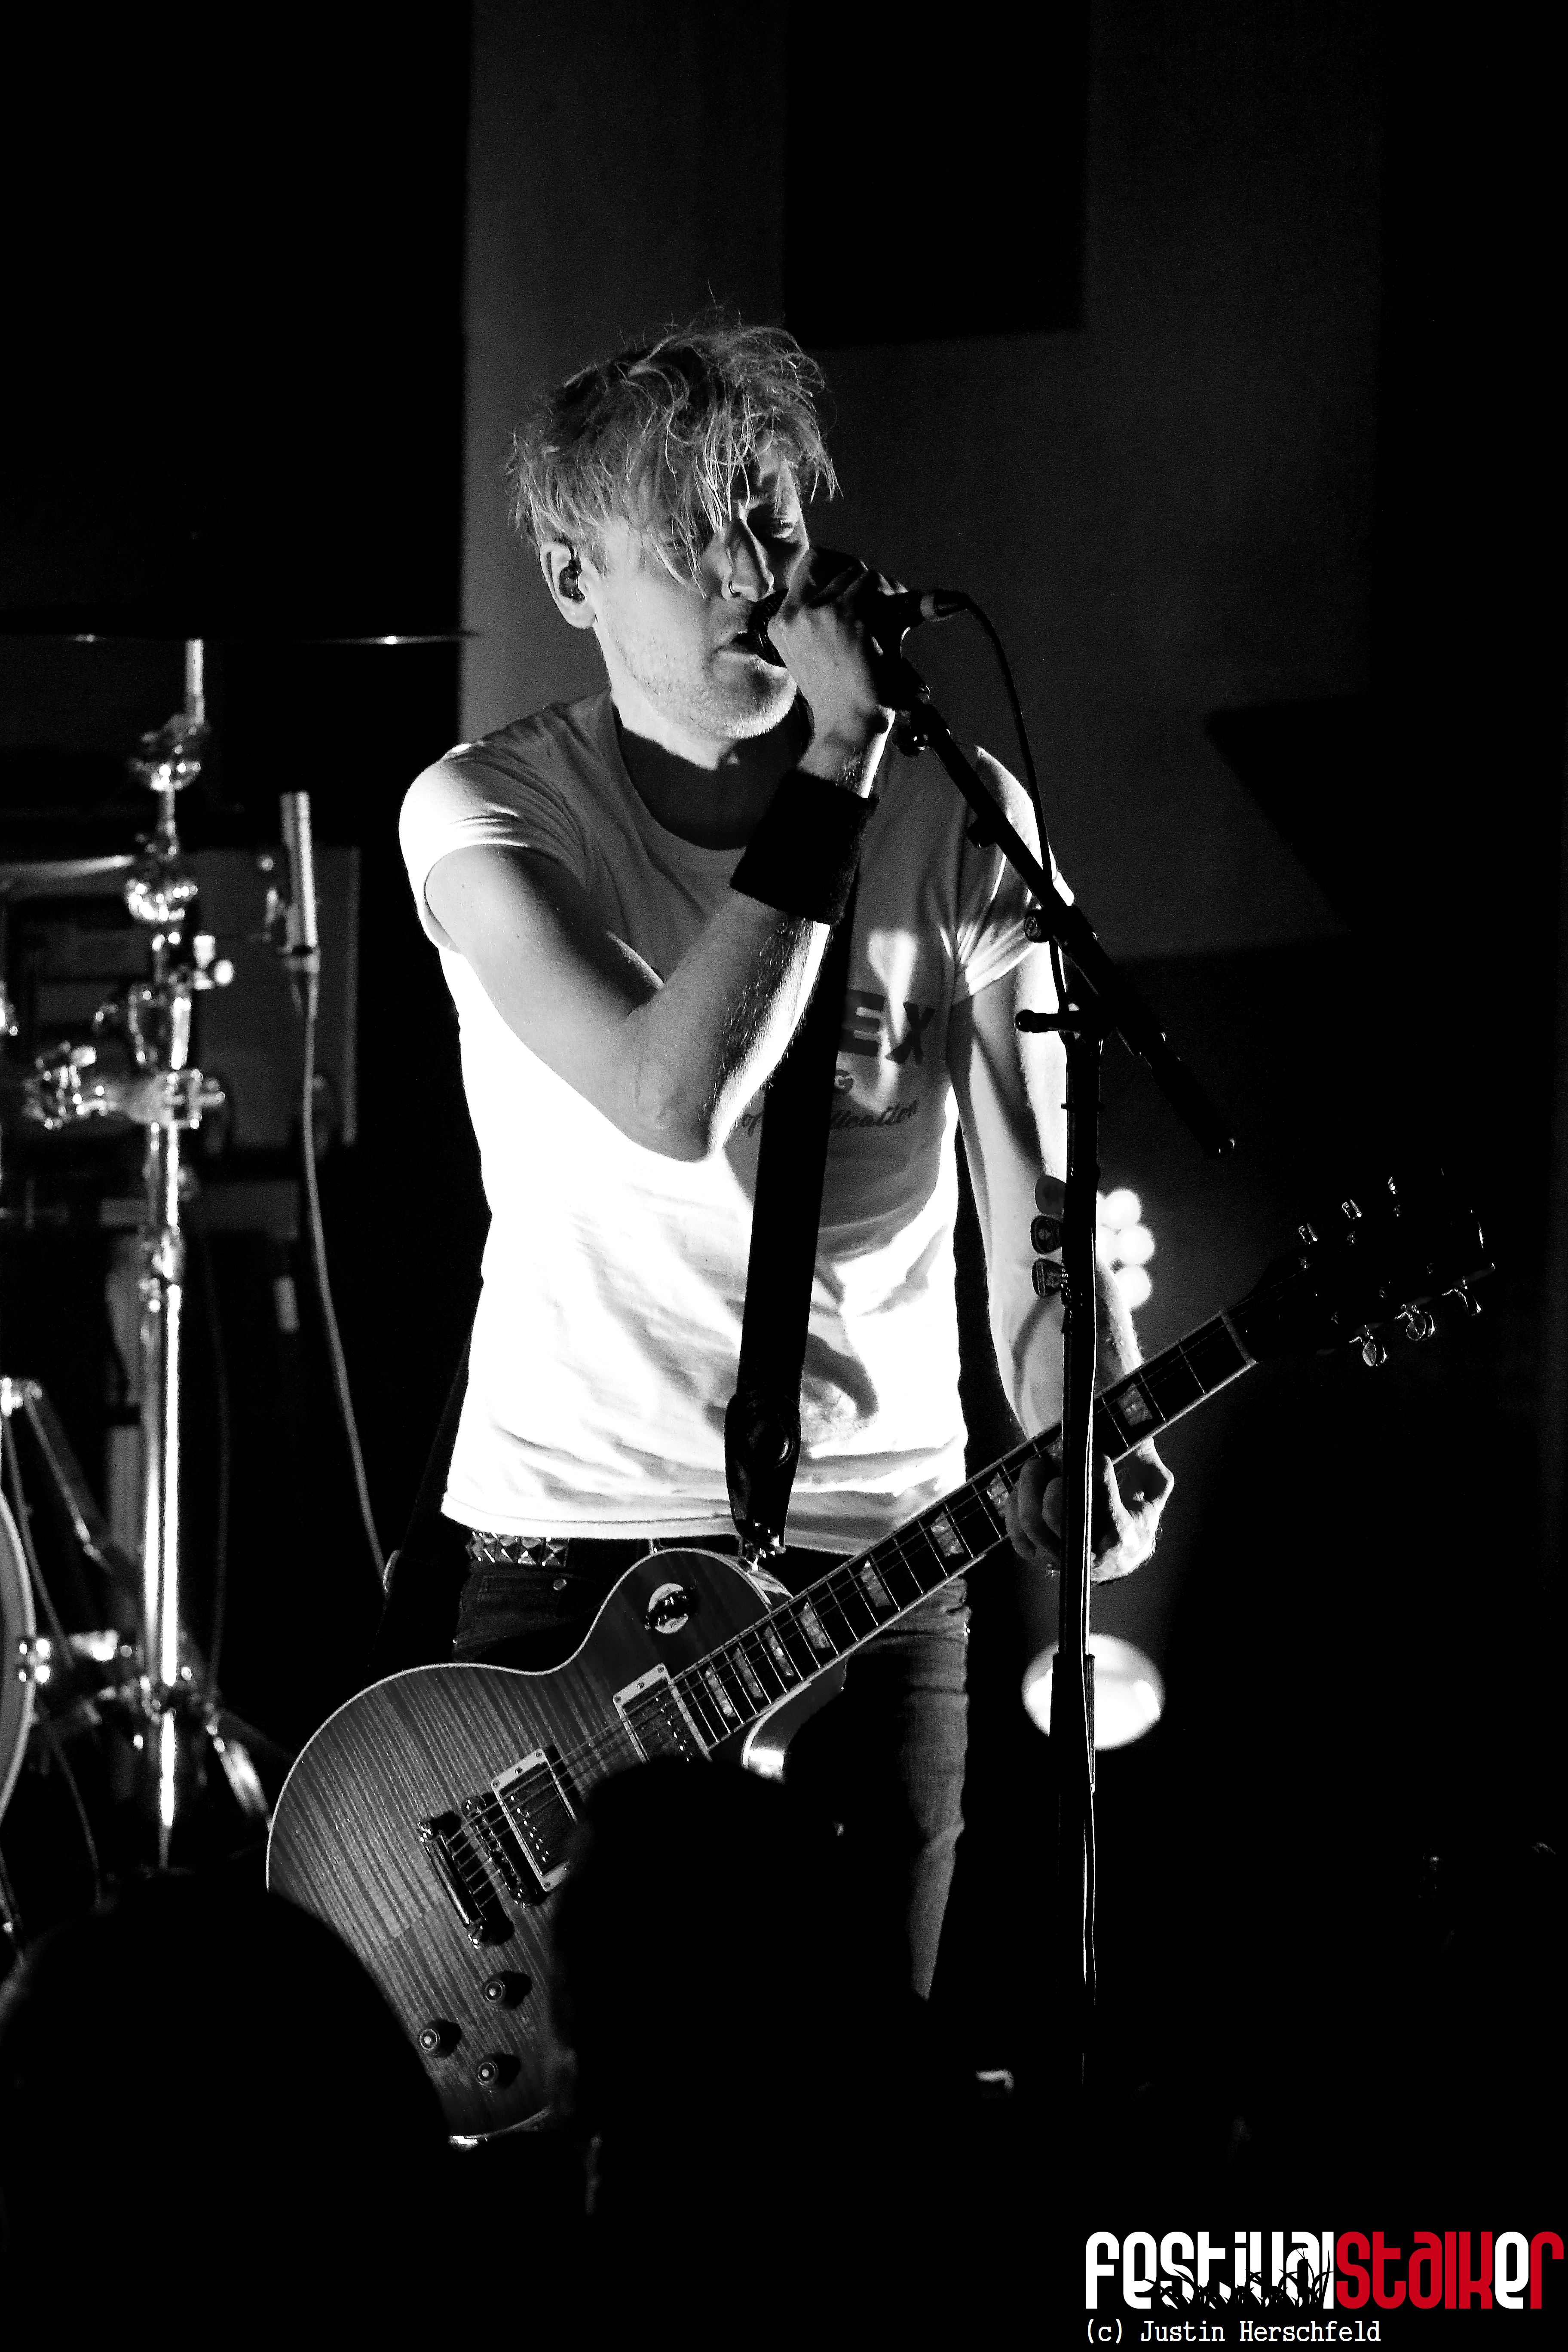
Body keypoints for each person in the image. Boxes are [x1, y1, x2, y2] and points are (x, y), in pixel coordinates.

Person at [397, 319, 1171, 2000]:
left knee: (855, 2083)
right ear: (574, 575)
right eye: (694, 539)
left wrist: (1088, 1410)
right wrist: (833, 763)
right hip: (573, 1555)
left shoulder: (955, 816)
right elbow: (669, 1095)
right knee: (581, 2081)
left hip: (880, 1554)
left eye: (774, 521)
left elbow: (1035, 1213)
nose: (754, 572)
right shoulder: (485, 812)